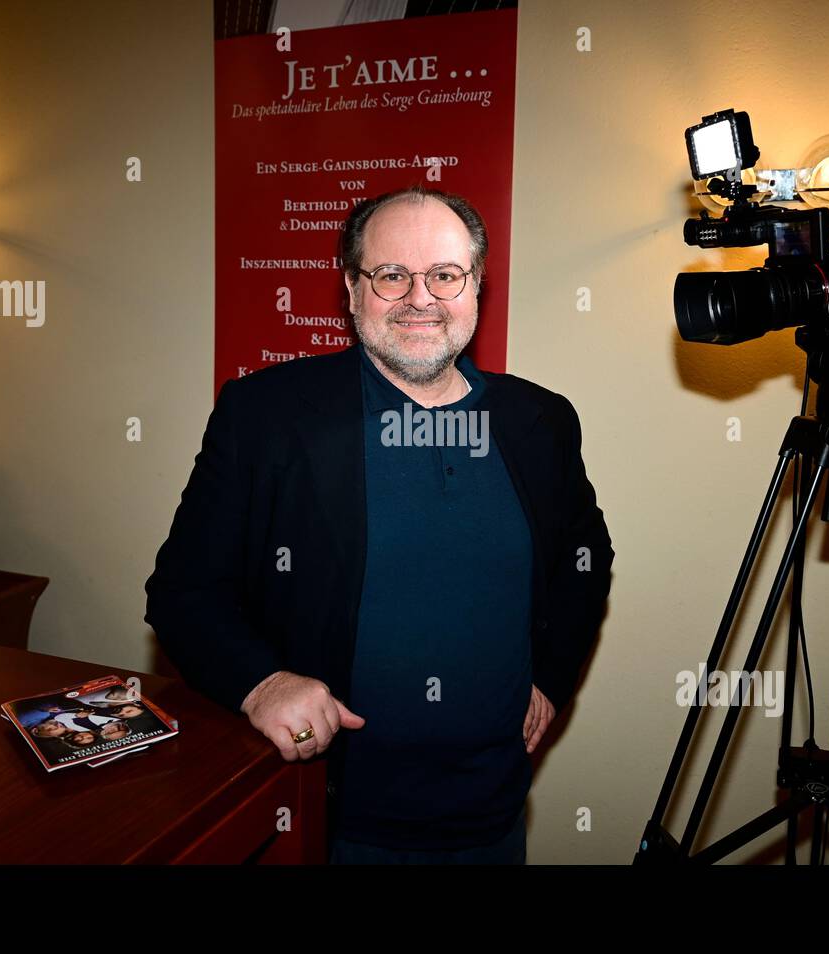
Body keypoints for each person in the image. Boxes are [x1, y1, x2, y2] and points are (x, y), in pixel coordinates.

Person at [146, 185, 613, 864]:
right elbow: (185, 591)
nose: (420, 298)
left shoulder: (539, 420)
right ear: (352, 289)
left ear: (475, 285)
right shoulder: (267, 415)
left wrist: (549, 675)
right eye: (391, 275)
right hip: (331, 817)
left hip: (495, 817)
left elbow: (586, 559)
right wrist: (261, 683)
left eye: (445, 275)